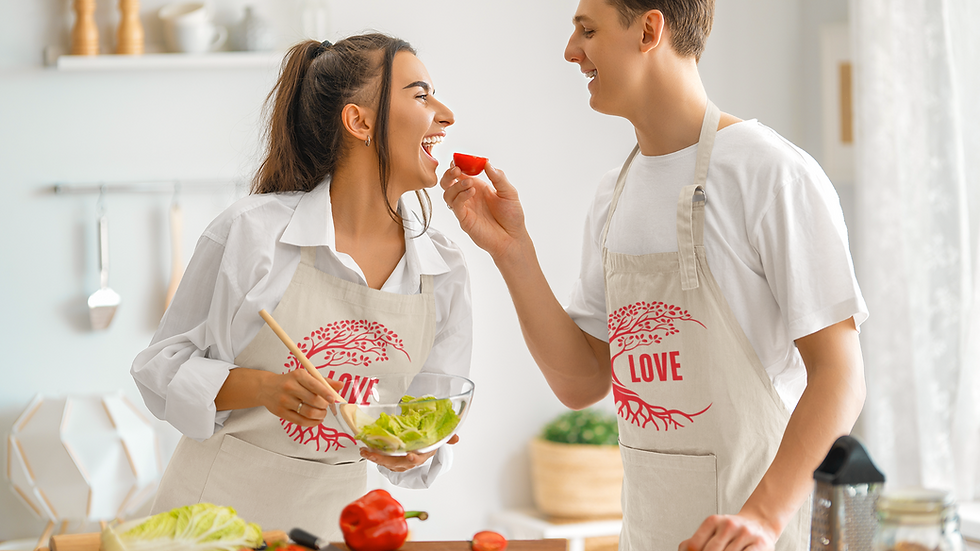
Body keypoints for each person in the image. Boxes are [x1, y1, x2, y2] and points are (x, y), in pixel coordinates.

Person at [440, 1, 867, 550]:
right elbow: (583, 380)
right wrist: (511, 251)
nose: (570, 52)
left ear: (648, 30)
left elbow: (841, 375)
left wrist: (760, 518)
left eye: (587, 30)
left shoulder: (771, 174)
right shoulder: (612, 196)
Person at [131, 34, 470, 538]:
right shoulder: (253, 232)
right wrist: (265, 388)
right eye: (420, 95)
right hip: (208, 524)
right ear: (359, 121)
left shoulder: (441, 270)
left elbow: (429, 413)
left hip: (338, 528)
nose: (445, 115)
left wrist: (410, 448)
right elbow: (158, 370)